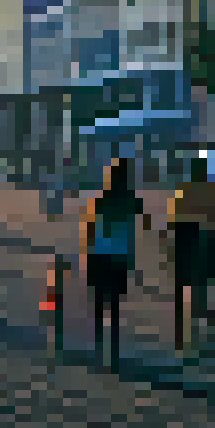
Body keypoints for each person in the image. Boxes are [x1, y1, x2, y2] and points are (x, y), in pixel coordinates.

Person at [79, 157, 143, 371]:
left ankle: (99, 349)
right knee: (114, 306)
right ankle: (113, 351)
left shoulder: (98, 199)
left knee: (98, 304)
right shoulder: (131, 201)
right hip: (119, 257)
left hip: (99, 255)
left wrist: (86, 254)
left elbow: (89, 229)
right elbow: (135, 228)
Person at [171, 156, 215, 355]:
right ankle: (199, 327)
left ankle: (180, 328)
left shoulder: (183, 189)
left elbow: (173, 217)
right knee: (200, 284)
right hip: (203, 236)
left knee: (181, 282)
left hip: (185, 236)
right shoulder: (211, 191)